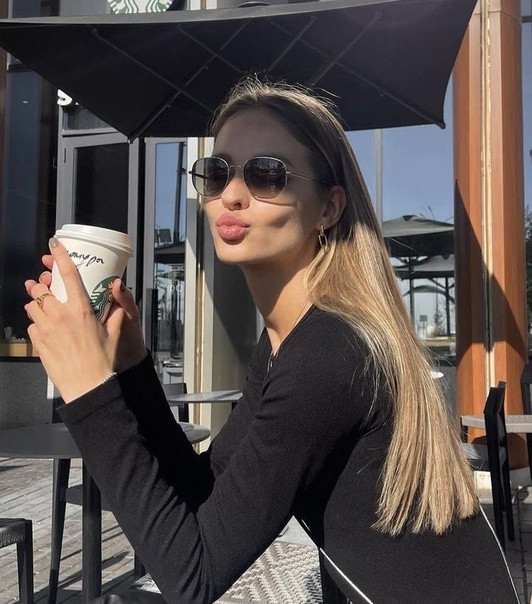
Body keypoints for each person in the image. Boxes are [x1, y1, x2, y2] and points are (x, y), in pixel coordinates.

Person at [24, 78, 518, 604]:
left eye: (267, 174)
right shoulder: (291, 339)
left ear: (328, 208)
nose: (231, 194)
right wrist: (133, 368)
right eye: (217, 172)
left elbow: (194, 579)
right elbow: (207, 490)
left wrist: (90, 391)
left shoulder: (329, 351)